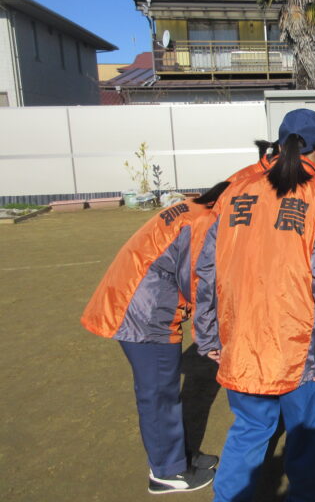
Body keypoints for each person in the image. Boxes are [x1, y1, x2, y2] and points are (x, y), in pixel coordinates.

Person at [193, 108, 315, 502]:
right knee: (303, 440)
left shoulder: (235, 192)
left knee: (249, 430)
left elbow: (206, 270)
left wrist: (208, 333)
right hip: (298, 349)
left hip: (240, 341)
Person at [80, 183, 231, 495]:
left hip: (139, 299)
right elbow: (198, 283)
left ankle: (179, 456)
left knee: (164, 390)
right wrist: (212, 338)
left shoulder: (196, 210)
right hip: (144, 312)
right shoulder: (205, 223)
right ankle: (166, 472)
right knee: (159, 394)